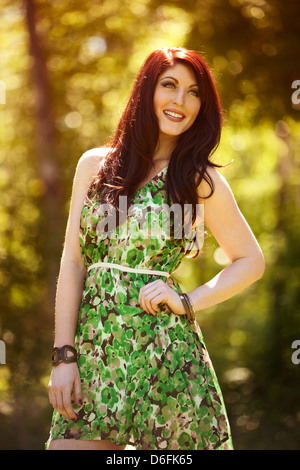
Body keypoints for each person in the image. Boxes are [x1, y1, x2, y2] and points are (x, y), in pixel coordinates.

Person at [46, 47, 265, 450]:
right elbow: (73, 262)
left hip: (166, 359)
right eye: (169, 86)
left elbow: (251, 260)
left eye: (193, 92)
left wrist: (187, 300)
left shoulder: (199, 178)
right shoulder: (94, 166)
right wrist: (64, 357)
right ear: (147, 91)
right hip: (96, 353)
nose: (180, 101)